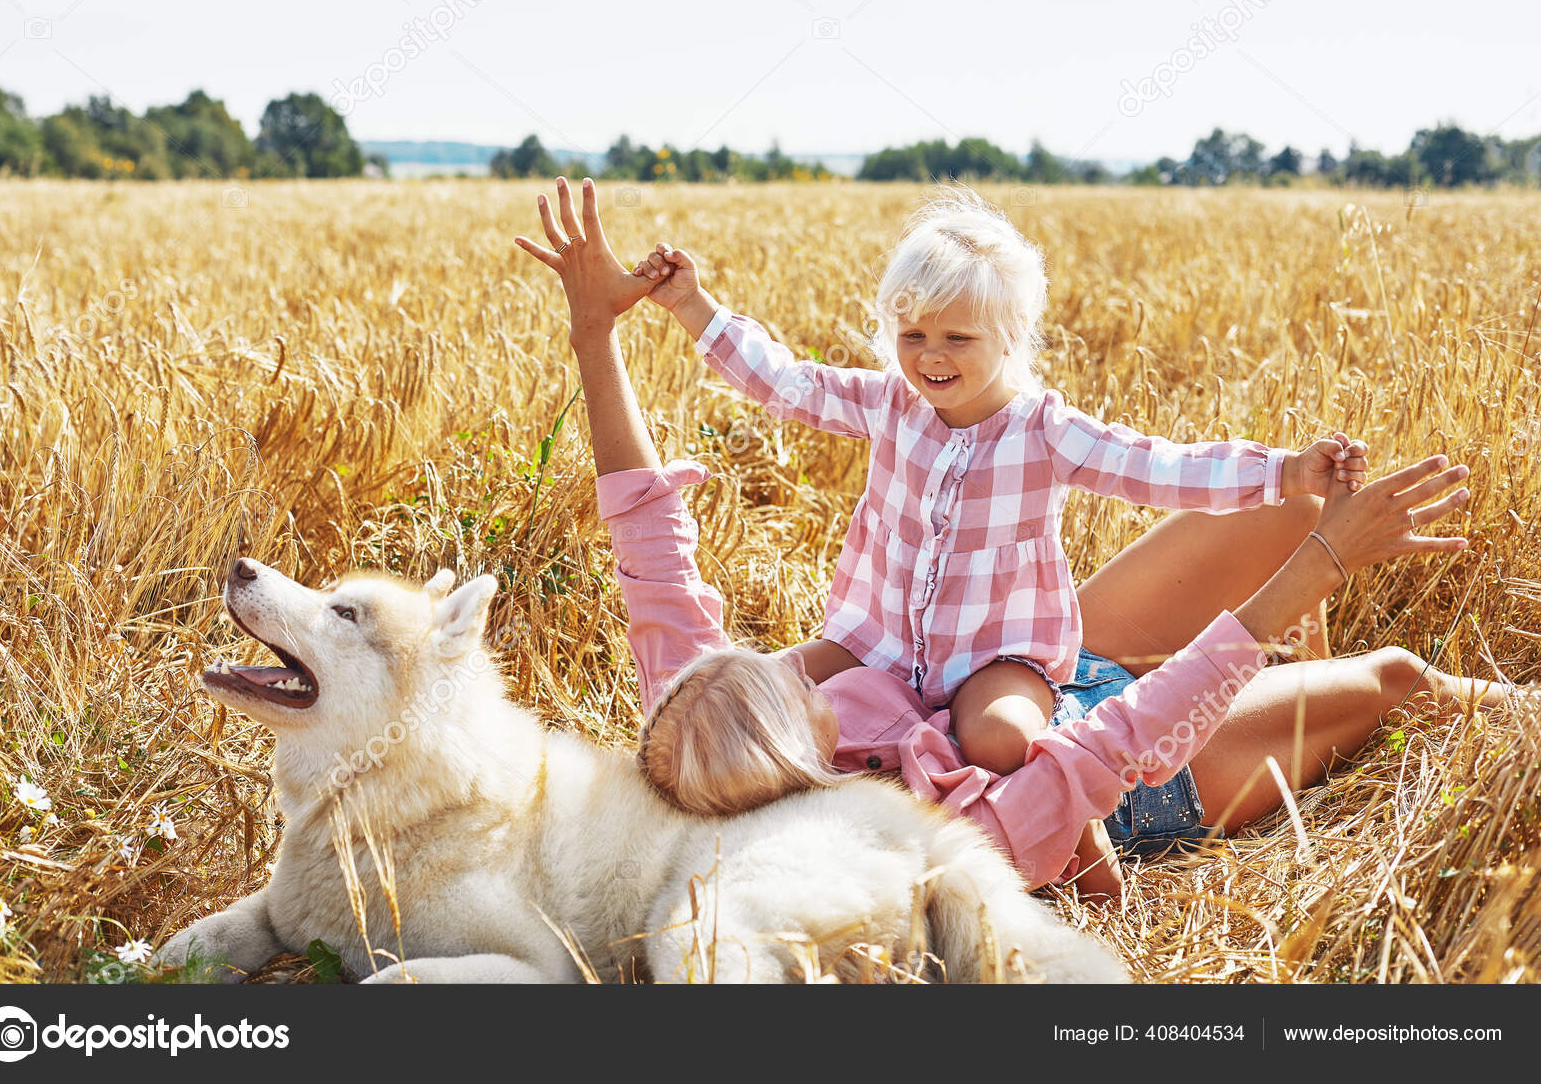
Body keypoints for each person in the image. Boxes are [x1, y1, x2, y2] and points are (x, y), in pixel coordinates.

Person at [516, 177, 1509, 898]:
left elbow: (647, 530)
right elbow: (1123, 738)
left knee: (1288, 506)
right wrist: (1327, 565)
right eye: (916, 338)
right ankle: (1507, 714)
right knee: (1396, 682)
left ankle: (1288, 634)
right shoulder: (932, 831)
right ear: (801, 772)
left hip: (1016, 656)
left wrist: (605, 326)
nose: (778, 670)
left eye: (767, 673)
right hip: (1116, 762)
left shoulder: (688, 727)